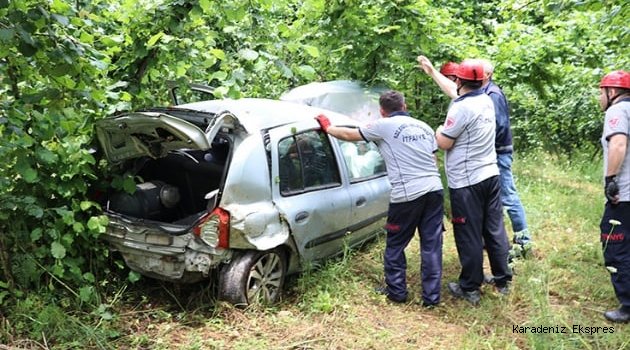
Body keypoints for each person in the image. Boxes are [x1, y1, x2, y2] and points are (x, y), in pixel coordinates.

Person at [315, 91, 444, 307]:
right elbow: (433, 159)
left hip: (407, 194)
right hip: (434, 189)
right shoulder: (424, 127)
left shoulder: (383, 126)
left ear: (382, 111)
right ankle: (431, 298)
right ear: (405, 105)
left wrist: (327, 128)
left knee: (395, 243)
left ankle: (397, 292)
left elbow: (349, 135)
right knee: (431, 245)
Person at [418, 55, 532, 254]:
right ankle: (495, 250)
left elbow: (490, 127)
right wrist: (432, 72)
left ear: (486, 75)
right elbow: (455, 91)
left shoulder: (491, 96)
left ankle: (523, 241)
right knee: (493, 210)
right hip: (487, 159)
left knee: (508, 197)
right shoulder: (481, 94)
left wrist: (444, 132)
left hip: (495, 155)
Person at [434, 60, 512, 305]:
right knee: (494, 228)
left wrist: (437, 130)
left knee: (468, 233)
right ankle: (502, 279)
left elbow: (444, 142)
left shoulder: (461, 108)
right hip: (490, 175)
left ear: (459, 81)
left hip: (467, 182)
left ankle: (470, 287)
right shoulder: (487, 100)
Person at [598, 70, 630, 323]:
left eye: (601, 91)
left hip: (625, 194)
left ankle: (628, 304)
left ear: (612, 92)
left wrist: (611, 180)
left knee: (615, 245)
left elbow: (618, 144)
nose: (600, 97)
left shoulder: (617, 112)